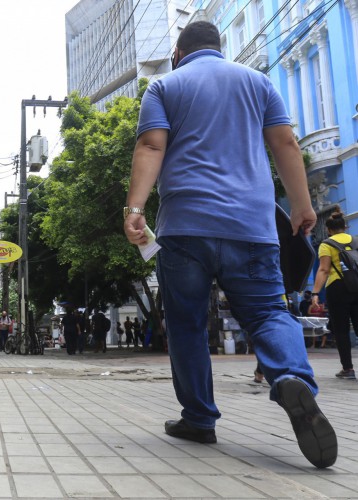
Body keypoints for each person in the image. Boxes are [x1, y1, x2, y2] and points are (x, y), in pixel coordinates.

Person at [123, 21, 336, 468]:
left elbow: (150, 145)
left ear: (179, 52)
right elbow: (285, 144)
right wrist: (300, 206)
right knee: (267, 313)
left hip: (185, 228)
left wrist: (134, 209)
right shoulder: (259, 83)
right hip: (252, 227)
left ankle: (199, 418)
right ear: (220, 49)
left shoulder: (164, 86)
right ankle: (293, 379)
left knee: (185, 323)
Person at [311, 207, 358, 379]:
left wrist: (315, 293)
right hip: (357, 287)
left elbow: (323, 270)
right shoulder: (356, 240)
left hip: (338, 289)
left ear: (329, 230)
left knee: (341, 330)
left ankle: (348, 369)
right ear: (345, 227)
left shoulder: (327, 244)